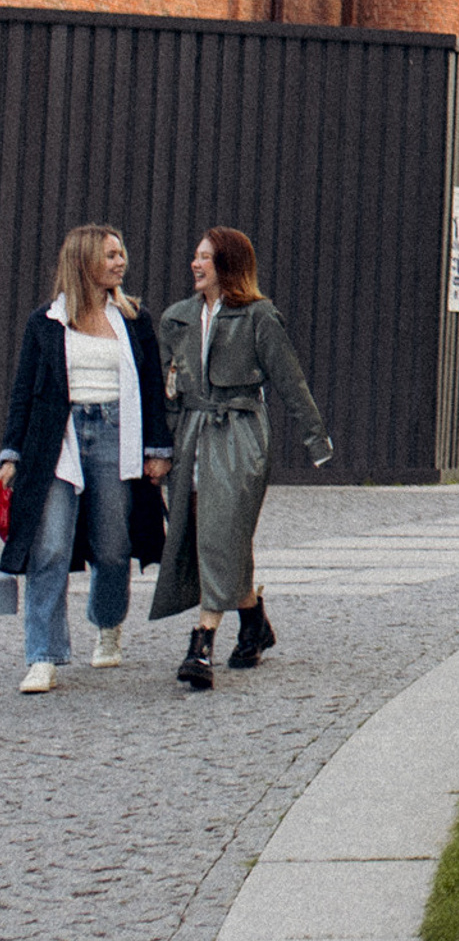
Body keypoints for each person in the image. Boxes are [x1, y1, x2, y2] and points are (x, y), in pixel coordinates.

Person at [152, 226, 332, 691]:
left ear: (227, 264)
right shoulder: (177, 318)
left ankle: (202, 643)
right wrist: (161, 448)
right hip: (193, 432)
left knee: (223, 529)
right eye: (194, 256)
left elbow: (290, 381)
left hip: (239, 434)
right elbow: (167, 390)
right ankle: (253, 623)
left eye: (205, 258)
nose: (195, 264)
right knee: (202, 533)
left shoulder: (259, 317)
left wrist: (316, 441)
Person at [2, 225, 171, 693]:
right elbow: (22, 394)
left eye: (122, 253)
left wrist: (159, 449)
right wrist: (10, 453)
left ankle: (108, 623)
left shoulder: (135, 319)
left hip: (117, 432)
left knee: (113, 543)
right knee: (49, 545)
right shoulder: (46, 322)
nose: (120, 262)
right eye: (111, 255)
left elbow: (153, 387)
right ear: (84, 262)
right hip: (57, 441)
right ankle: (43, 656)